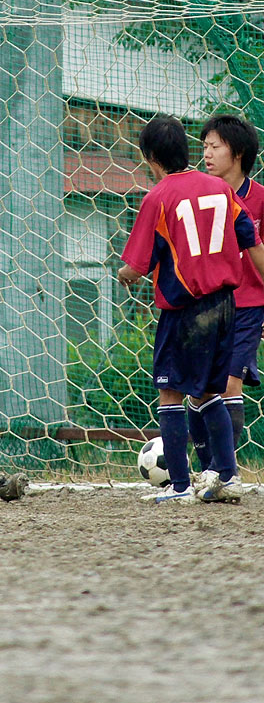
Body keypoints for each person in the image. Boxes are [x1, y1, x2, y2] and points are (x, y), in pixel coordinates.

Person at [118, 115, 264, 505]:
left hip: (185, 310)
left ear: (150, 157)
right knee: (209, 393)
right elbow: (251, 241)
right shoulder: (220, 189)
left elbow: (135, 266)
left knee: (170, 393)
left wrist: (123, 274)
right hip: (226, 306)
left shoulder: (158, 197)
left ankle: (180, 486)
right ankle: (227, 476)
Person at [189, 114, 264, 483]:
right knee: (200, 388)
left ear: (237, 152)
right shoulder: (200, 196)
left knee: (230, 384)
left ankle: (225, 474)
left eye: (214, 146)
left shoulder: (261, 199)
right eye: (204, 146)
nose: (206, 153)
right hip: (207, 305)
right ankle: (207, 471)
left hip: (250, 305)